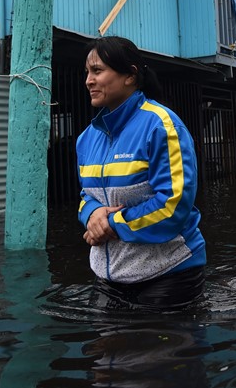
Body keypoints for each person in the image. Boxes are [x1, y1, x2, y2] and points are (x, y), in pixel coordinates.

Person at [76, 35, 207, 310]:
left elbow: (173, 205)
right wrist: (91, 214)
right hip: (107, 276)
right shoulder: (86, 139)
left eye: (97, 71)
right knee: (107, 350)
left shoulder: (161, 126)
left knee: (154, 351)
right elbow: (85, 195)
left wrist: (111, 224)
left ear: (130, 76)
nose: (88, 80)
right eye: (87, 72)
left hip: (169, 274)